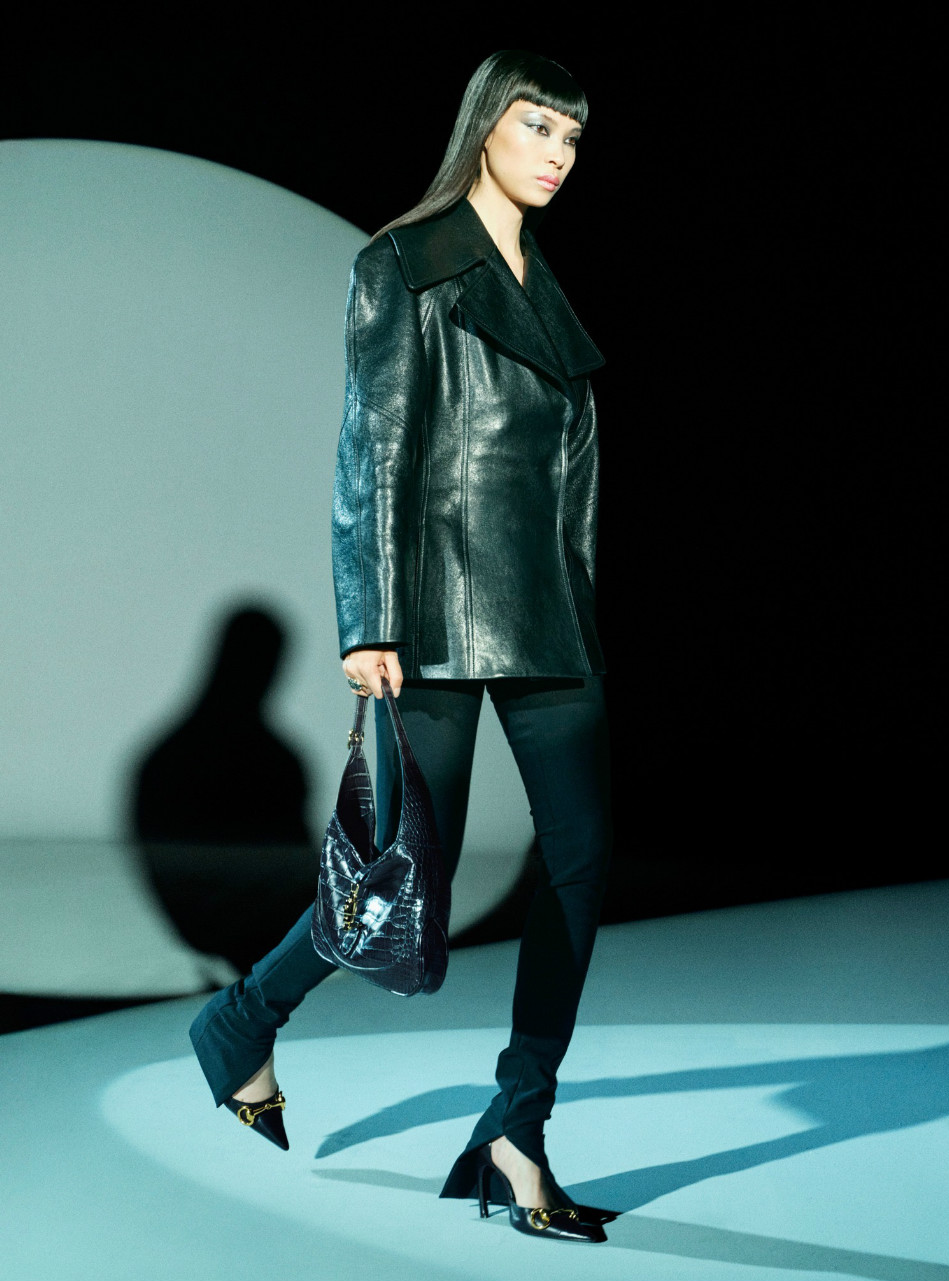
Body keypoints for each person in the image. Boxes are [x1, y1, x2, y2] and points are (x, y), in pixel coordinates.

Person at [190, 49, 612, 1245]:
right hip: (432, 612)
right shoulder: (405, 262)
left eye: (572, 137)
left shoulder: (544, 284)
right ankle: (245, 1017)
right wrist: (367, 618)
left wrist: (584, 607)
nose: (557, 154)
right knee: (400, 874)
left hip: (550, 617)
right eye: (537, 127)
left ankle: (517, 1129)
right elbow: (371, 446)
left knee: (582, 864)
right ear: (485, 127)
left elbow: (565, 484)